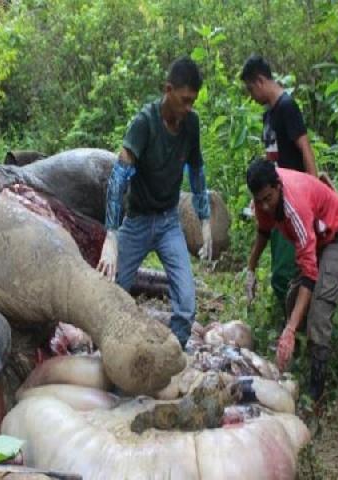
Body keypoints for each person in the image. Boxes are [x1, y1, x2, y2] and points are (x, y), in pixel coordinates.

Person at [96, 56, 213, 348]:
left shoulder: (191, 124)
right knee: (111, 292)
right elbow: (118, 177)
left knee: (186, 305)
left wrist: (205, 219)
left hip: (168, 222)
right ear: (168, 89)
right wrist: (111, 235)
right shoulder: (144, 123)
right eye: (184, 100)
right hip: (136, 222)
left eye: (193, 102)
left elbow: (196, 169)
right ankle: (107, 355)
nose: (188, 108)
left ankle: (170, 361)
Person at [245, 159, 338, 401]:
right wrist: (251, 269)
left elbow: (309, 274)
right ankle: (290, 366)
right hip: (314, 234)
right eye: (259, 200)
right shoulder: (263, 200)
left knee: (319, 309)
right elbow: (263, 231)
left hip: (336, 232)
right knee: (292, 299)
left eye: (268, 199)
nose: (264, 206)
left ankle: (315, 393)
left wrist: (290, 329)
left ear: (278, 187)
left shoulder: (294, 205)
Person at [240, 54, 318, 311]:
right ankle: (286, 317)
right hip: (272, 199)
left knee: (285, 273)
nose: (251, 96)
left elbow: (305, 148)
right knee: (279, 267)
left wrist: (313, 190)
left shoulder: (287, 107)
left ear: (260, 81)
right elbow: (271, 157)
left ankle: (295, 324)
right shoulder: (268, 116)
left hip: (291, 198)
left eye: (251, 89)